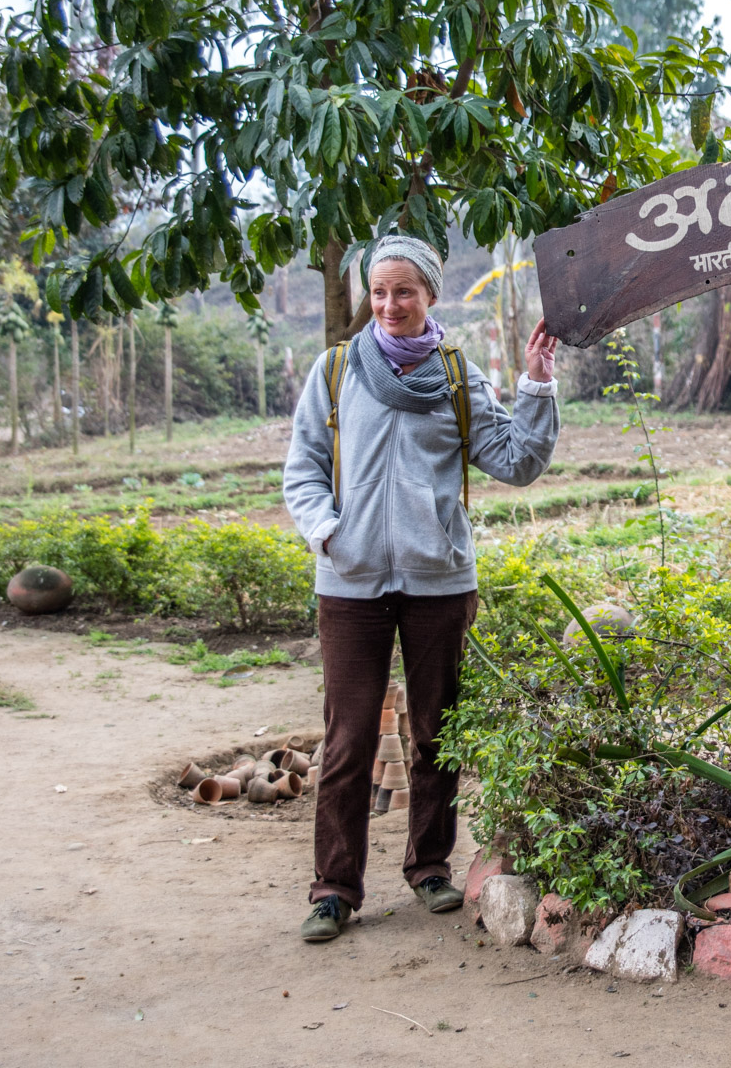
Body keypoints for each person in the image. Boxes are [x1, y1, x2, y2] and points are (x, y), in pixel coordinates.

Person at [282, 233, 562, 943]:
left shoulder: (459, 376)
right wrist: (329, 533)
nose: (389, 304)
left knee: (436, 730)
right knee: (348, 739)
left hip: (438, 581)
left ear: (430, 294)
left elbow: (517, 461)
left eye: (403, 291)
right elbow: (304, 467)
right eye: (378, 292)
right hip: (350, 583)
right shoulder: (337, 369)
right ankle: (334, 889)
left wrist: (536, 384)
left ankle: (430, 867)